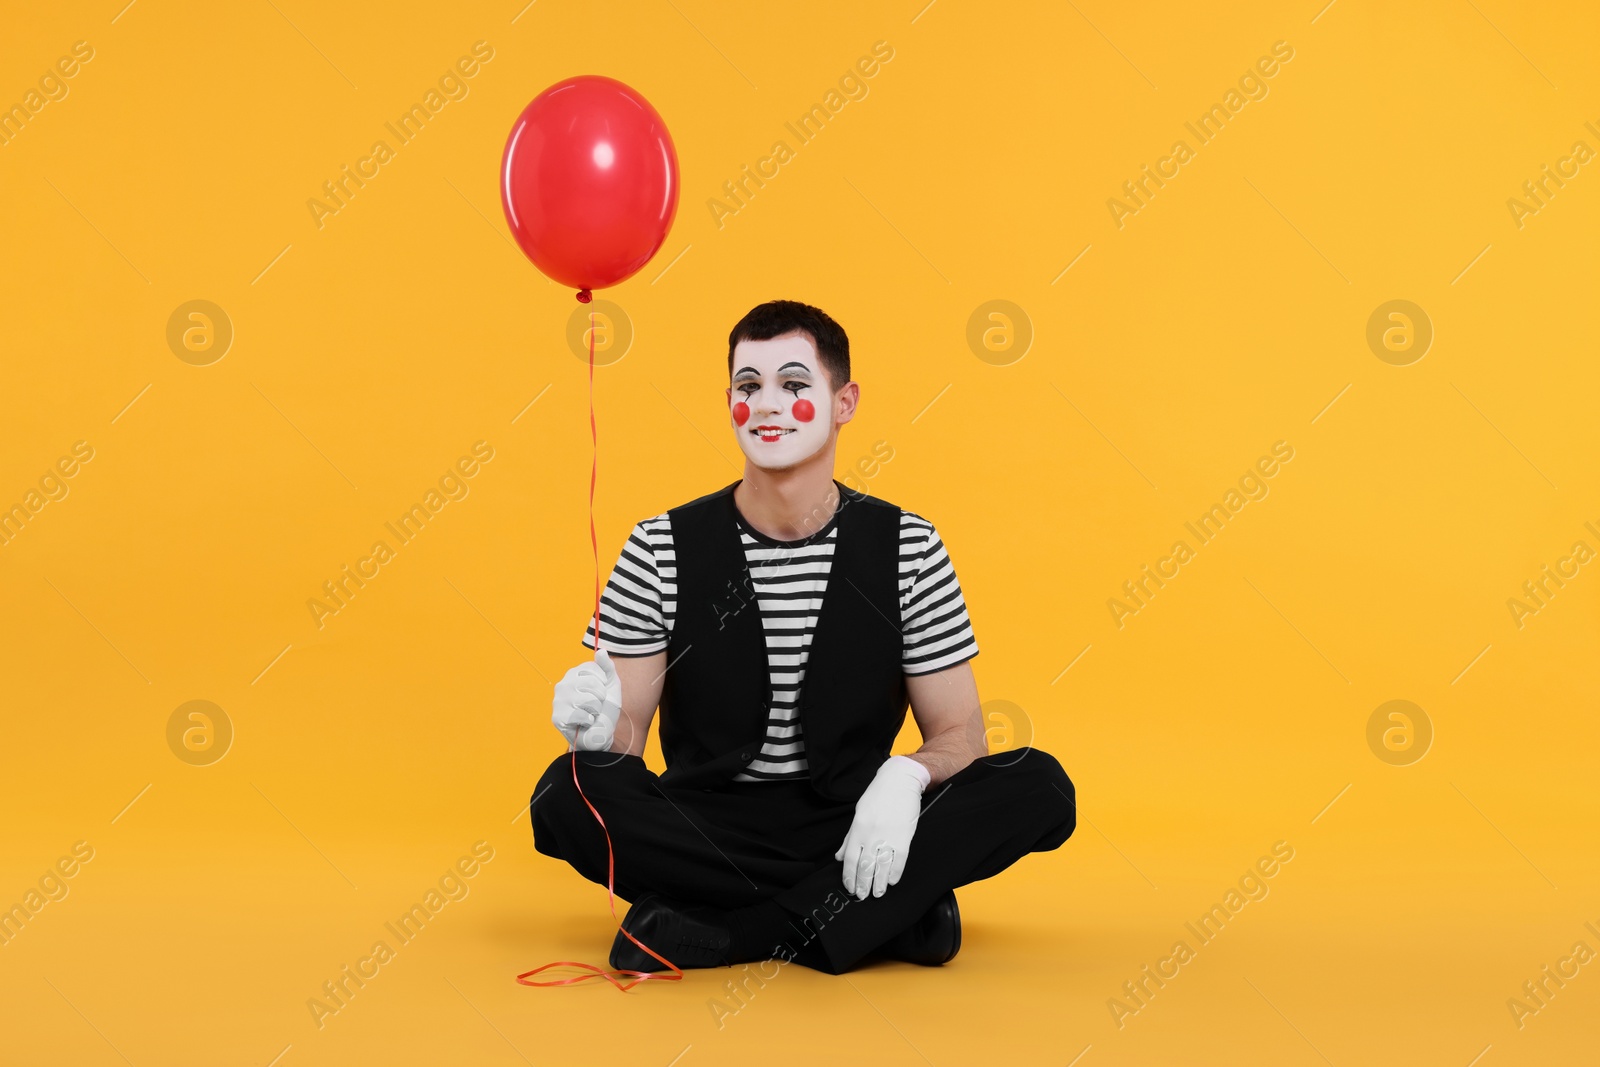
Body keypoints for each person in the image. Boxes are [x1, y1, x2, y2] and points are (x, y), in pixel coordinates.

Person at [530, 299, 1076, 975]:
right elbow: (627, 745)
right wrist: (595, 728)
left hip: (857, 823)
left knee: (1039, 784)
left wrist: (904, 777)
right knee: (566, 790)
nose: (766, 404)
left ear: (844, 402)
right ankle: (887, 914)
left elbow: (962, 736)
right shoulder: (659, 546)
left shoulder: (909, 545)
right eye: (747, 386)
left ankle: (731, 933)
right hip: (707, 826)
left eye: (793, 385)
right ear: (726, 399)